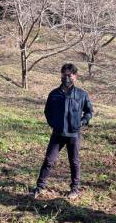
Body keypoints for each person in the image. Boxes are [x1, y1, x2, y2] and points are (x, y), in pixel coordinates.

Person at [32, 63, 93, 200]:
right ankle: (40, 186)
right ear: (61, 75)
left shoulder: (81, 94)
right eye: (64, 74)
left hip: (73, 135)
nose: (66, 77)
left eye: (69, 75)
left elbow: (89, 112)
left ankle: (74, 189)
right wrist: (53, 124)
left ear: (75, 77)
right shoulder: (54, 94)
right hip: (58, 134)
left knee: (74, 162)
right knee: (49, 160)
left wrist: (81, 122)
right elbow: (47, 112)